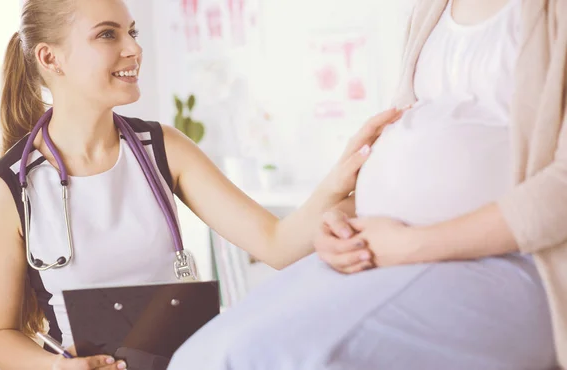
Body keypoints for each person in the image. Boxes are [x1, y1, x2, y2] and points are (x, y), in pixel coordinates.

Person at [0, 0, 405, 369]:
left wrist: (342, 180)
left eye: (133, 32)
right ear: (51, 59)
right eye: (108, 35)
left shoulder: (162, 147)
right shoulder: (11, 187)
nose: (134, 48)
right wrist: (56, 366)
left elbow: (276, 244)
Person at [166, 0, 567, 369]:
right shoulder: (430, 10)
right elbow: (413, 155)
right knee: (198, 358)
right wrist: (336, 223)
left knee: (260, 357)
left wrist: (414, 245)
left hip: (512, 262)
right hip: (386, 253)